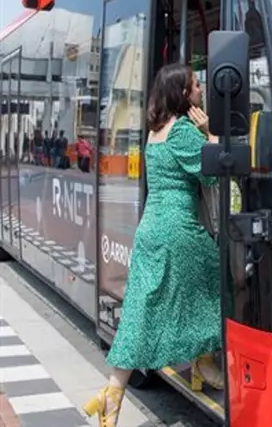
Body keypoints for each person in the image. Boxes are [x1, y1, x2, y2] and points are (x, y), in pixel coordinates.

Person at [83, 63, 223, 427]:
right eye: (195, 85)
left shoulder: (155, 132)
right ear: (182, 94)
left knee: (139, 313)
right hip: (179, 229)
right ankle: (204, 362)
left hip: (150, 230)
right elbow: (214, 167)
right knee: (217, 278)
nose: (199, 90)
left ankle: (111, 394)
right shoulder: (183, 133)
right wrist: (209, 132)